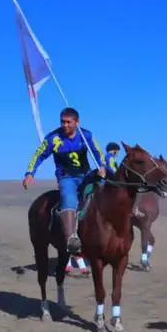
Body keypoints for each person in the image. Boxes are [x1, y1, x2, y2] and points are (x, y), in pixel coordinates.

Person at [23, 107, 106, 255]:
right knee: (68, 198)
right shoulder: (53, 139)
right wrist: (30, 173)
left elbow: (97, 151)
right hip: (67, 177)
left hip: (86, 175)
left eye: (68, 122)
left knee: (106, 190)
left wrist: (101, 166)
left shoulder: (85, 135)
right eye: (63, 122)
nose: (65, 125)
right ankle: (71, 238)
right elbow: (39, 155)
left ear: (77, 122)